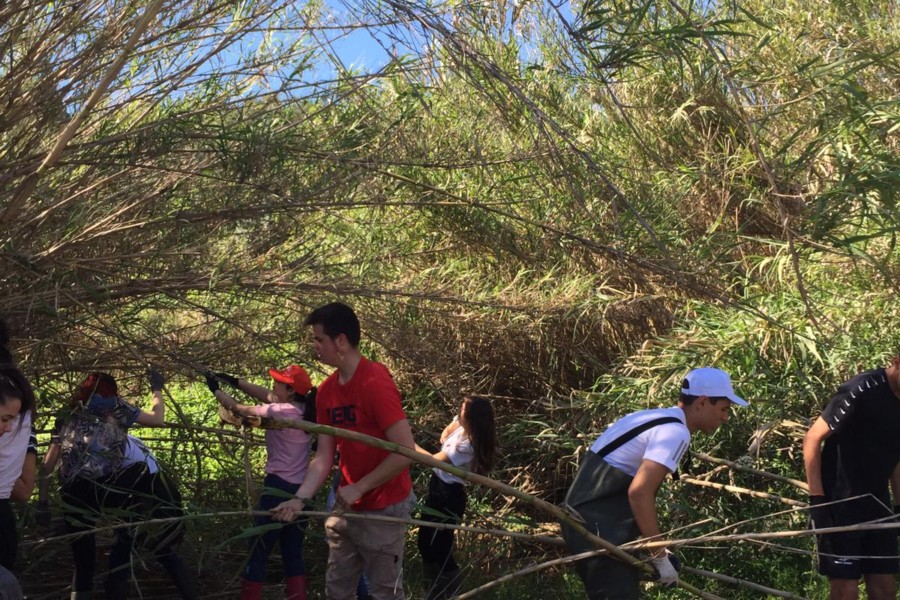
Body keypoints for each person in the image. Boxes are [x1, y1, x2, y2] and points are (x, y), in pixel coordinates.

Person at [560, 367, 748, 599]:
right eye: (723, 409)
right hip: (598, 528)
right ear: (702, 402)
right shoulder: (675, 431)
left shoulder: (649, 417)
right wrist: (659, 556)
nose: (725, 417)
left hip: (585, 517)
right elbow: (639, 493)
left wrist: (654, 547)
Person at [271, 302, 416, 600]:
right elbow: (324, 456)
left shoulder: (375, 382)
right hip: (346, 506)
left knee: (384, 593)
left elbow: (405, 450)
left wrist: (360, 487)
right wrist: (300, 499)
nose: (315, 346)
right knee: (337, 589)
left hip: (383, 507)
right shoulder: (326, 392)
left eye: (319, 339)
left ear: (341, 341)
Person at [38, 370, 167, 600]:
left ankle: (82, 593)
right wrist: (156, 388)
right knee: (127, 523)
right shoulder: (115, 405)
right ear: (111, 391)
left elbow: (49, 462)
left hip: (72, 488)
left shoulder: (68, 411)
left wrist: (42, 502)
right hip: (106, 486)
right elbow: (157, 419)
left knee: (82, 557)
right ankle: (116, 580)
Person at [206, 365, 316, 600]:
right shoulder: (304, 409)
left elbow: (237, 408)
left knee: (258, 549)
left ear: (290, 390)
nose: (274, 385)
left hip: (277, 488)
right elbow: (266, 395)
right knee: (292, 553)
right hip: (302, 491)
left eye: (279, 383)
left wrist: (215, 389)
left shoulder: (279, 411)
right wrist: (234, 380)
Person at [803, 355, 900, 600]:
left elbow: (896, 458)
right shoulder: (861, 388)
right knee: (846, 589)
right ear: (898, 362)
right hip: (839, 503)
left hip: (877, 503)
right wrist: (818, 502)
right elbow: (812, 438)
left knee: (885, 587)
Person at [416, 395, 497, 600]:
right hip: (437, 488)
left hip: (449, 494)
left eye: (462, 410)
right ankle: (432, 591)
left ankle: (453, 592)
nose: (458, 411)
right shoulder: (462, 428)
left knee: (441, 548)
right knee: (424, 541)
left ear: (472, 417)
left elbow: (435, 461)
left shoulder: (467, 446)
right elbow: (443, 437)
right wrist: (456, 421)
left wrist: (408, 446)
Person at [110, 434, 196, 599]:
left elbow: (124, 482)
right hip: (155, 494)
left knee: (124, 551)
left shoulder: (113, 443)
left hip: (150, 497)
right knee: (159, 549)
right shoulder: (126, 439)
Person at [0, 325, 37, 600]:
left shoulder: (13, 403)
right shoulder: (20, 400)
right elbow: (24, 490)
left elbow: (24, 489)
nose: (7, 428)